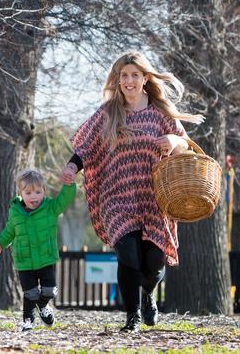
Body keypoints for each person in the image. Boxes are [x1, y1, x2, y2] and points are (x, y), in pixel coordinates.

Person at [60, 51, 204, 333]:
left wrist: (174, 139)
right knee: (127, 255)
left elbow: (186, 145)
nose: (128, 81)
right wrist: (71, 167)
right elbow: (85, 148)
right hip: (116, 198)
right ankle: (132, 317)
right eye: (123, 75)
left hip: (154, 199)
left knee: (152, 263)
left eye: (134, 75)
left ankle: (148, 293)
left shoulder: (160, 113)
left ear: (145, 78)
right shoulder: (108, 113)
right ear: (118, 79)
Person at [0, 169, 75, 331]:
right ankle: (28, 320)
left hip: (46, 258)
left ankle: (42, 306)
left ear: (44, 192)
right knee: (30, 294)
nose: (34, 196)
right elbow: (9, 233)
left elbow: (64, 200)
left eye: (38, 192)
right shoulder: (15, 213)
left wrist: (68, 185)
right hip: (24, 261)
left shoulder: (50, 208)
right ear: (21, 193)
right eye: (28, 192)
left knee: (49, 291)